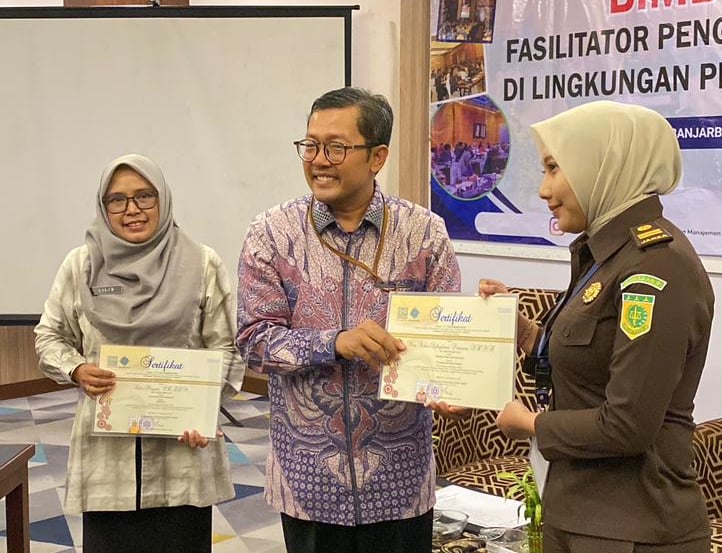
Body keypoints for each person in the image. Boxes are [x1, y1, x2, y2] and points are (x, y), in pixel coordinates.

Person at [235, 87, 462, 553]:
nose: (319, 160)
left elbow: (448, 340)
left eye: (336, 147)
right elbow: (254, 341)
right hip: (309, 482)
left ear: (377, 157)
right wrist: (333, 342)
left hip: (399, 483)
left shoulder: (424, 233)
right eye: (310, 145)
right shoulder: (271, 233)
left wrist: (454, 383)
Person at [479, 101, 713, 553]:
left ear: (603, 165)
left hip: (634, 528)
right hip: (577, 514)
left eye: (554, 169)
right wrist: (524, 333)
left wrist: (530, 423)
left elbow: (627, 425)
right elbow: (593, 365)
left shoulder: (656, 265)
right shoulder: (606, 255)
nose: (544, 190)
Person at [34, 154, 245, 553]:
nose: (132, 209)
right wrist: (76, 369)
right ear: (104, 206)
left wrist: (203, 407)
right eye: (117, 200)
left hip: (182, 457)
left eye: (144, 196)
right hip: (107, 463)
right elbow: (49, 337)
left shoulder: (202, 263)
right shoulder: (80, 266)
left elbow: (227, 348)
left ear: (162, 197)